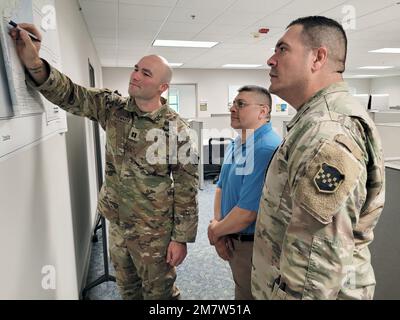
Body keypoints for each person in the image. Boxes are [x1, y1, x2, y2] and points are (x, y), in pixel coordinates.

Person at [10, 23, 199, 300]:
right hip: (118, 224)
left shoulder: (178, 130)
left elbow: (187, 187)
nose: (135, 76)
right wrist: (35, 63)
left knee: (160, 294)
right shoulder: (113, 108)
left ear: (162, 87)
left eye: (145, 73)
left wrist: (180, 238)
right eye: (135, 68)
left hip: (154, 231)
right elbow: (70, 94)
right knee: (127, 289)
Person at [251, 16, 385, 300]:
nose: (270, 60)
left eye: (282, 49)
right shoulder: (315, 119)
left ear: (318, 58)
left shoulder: (326, 129)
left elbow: (315, 265)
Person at [208, 85, 281, 300]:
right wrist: (218, 227)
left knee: (251, 295)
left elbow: (247, 213)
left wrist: (215, 232)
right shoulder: (238, 141)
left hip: (252, 245)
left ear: (263, 111)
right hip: (231, 236)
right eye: (233, 103)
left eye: (241, 104)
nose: (233, 108)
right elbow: (221, 185)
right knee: (241, 290)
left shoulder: (265, 149)